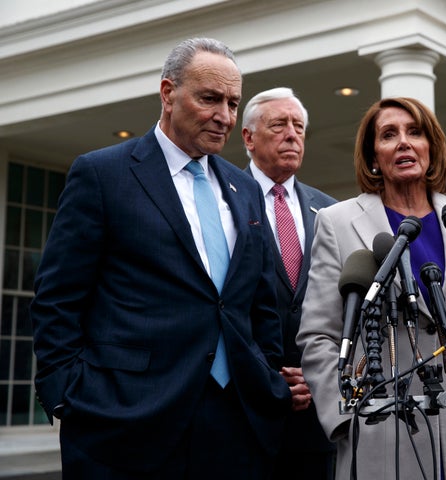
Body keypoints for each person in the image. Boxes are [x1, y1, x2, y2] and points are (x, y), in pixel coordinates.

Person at [30, 37, 292, 479]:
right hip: (124, 423)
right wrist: (66, 395)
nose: (224, 116)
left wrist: (268, 380)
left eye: (232, 102)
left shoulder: (244, 188)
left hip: (237, 425)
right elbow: (57, 297)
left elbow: (258, 300)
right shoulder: (102, 174)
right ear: (168, 93)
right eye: (210, 98)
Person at [296, 97, 446, 479]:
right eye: (389, 135)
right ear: (373, 156)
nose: (404, 142)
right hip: (382, 431)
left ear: (432, 147)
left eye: (415, 132)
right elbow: (319, 334)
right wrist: (345, 418)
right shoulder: (337, 222)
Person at [241, 87, 337, 479]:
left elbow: (340, 306)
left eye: (299, 127)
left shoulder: (329, 210)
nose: (292, 134)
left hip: (316, 413)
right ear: (248, 137)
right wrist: (266, 376)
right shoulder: (224, 198)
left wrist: (318, 375)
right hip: (246, 405)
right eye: (278, 125)